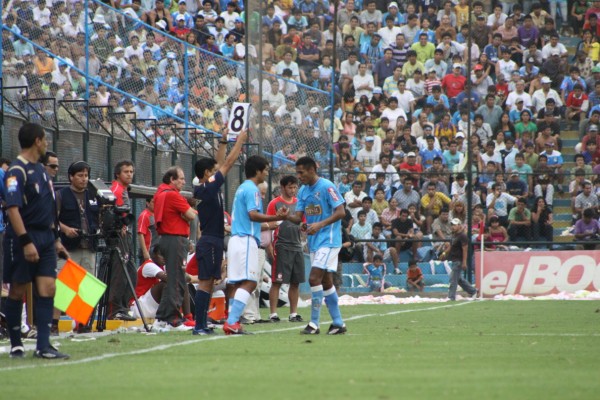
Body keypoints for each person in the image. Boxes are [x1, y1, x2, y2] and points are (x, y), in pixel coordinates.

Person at [3, 122, 70, 359]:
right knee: (18, 289)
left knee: (48, 288)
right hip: (24, 236)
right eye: (45, 139)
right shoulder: (17, 170)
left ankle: (43, 346)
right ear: (37, 141)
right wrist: (25, 241)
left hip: (46, 237)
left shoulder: (42, 170)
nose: (47, 143)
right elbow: (12, 209)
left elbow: (48, 208)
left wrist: (56, 239)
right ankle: (16, 344)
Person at [223, 156, 289, 335]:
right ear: (258, 171)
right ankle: (231, 321)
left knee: (237, 283)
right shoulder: (252, 189)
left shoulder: (242, 187)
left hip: (237, 239)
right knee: (251, 282)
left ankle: (233, 321)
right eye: (265, 170)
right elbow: (253, 215)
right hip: (245, 240)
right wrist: (276, 217)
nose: (267, 173)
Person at [192, 130, 247, 335]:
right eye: (213, 171)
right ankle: (199, 325)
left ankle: (202, 324)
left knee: (208, 283)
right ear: (207, 173)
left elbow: (220, 162)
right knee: (205, 283)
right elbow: (228, 163)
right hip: (210, 240)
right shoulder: (207, 189)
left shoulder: (207, 187)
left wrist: (223, 141)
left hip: (212, 240)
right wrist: (239, 141)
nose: (218, 172)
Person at [289, 156, 347, 335]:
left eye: (301, 172)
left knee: (314, 278)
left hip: (329, 240)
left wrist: (320, 225)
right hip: (314, 241)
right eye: (297, 173)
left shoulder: (327, 186)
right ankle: (338, 323)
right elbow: (298, 218)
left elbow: (341, 212)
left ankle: (314, 324)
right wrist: (285, 216)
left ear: (312, 170)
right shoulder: (303, 191)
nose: (299, 176)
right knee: (326, 281)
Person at [53, 161, 98, 334]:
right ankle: (54, 323)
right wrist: (65, 229)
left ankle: (82, 323)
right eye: (80, 175)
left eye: (86, 175)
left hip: (89, 246)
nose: (84, 179)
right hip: (68, 248)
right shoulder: (61, 195)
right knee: (63, 286)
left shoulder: (93, 195)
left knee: (87, 288)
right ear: (71, 177)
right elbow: (52, 219)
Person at [153, 166, 197, 330]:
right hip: (175, 239)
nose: (184, 182)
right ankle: (173, 319)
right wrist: (186, 213)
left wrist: (184, 213)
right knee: (177, 279)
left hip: (167, 239)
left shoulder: (160, 193)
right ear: (172, 179)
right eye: (181, 178)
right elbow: (191, 215)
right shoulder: (172, 194)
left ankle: (162, 318)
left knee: (173, 279)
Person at [267, 175, 305, 323]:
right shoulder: (274, 203)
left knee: (295, 282)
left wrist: (306, 228)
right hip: (281, 246)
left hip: (297, 246)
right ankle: (273, 314)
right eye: (290, 187)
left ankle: (293, 313)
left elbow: (303, 223)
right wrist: (269, 245)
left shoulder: (299, 203)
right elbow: (267, 224)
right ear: (282, 187)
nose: (293, 190)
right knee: (277, 281)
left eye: (295, 187)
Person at [108, 160, 137, 321]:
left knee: (131, 272)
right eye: (126, 172)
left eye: (131, 171)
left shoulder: (124, 190)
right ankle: (115, 309)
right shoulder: (116, 190)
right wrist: (119, 226)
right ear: (118, 174)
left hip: (126, 234)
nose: (129, 174)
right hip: (118, 236)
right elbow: (110, 212)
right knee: (120, 273)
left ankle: (123, 306)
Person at [442, 218, 477, 301]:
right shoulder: (454, 235)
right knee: (459, 279)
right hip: (454, 259)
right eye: (452, 225)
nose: (453, 227)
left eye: (455, 225)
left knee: (453, 279)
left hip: (458, 260)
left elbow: (465, 249)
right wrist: (444, 253)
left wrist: (464, 262)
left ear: (459, 226)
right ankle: (473, 291)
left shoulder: (462, 236)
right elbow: (451, 246)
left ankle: (451, 297)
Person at [130, 245, 168, 320]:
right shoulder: (149, 265)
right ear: (154, 255)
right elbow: (169, 279)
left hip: (148, 306)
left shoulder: (162, 267)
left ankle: (187, 317)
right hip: (138, 306)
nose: (164, 258)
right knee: (165, 284)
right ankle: (166, 317)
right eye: (161, 255)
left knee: (182, 285)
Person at [137, 197, 157, 264]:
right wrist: (145, 252)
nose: (156, 204)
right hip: (148, 252)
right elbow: (140, 234)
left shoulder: (158, 214)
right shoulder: (144, 215)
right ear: (147, 203)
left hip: (156, 252)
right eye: (153, 202)